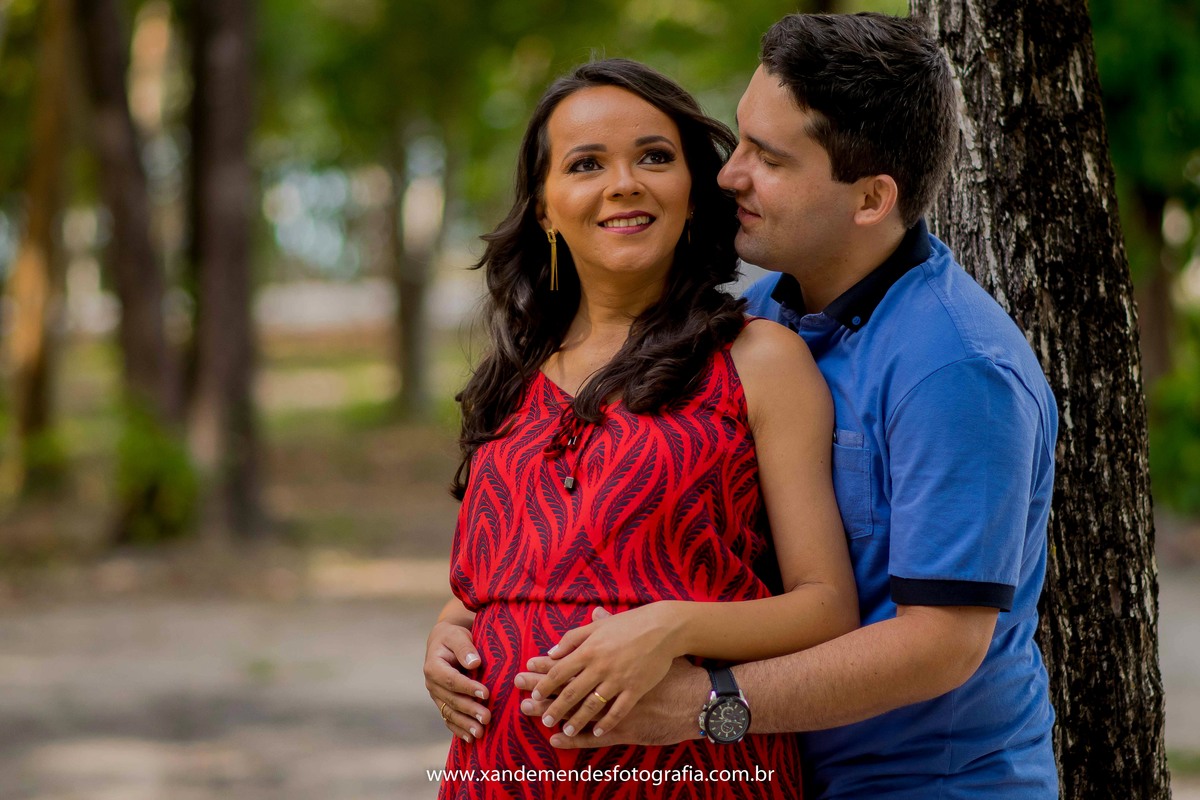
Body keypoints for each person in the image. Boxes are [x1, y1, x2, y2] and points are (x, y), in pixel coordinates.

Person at [503, 12, 1060, 799]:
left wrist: (702, 708)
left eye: (769, 158)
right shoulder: (755, 319)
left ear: (871, 199)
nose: (730, 175)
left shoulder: (957, 367)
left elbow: (941, 646)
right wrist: (469, 622)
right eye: (741, 140)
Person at [428, 58, 859, 800]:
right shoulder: (511, 377)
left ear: (692, 193)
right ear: (544, 208)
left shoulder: (758, 360)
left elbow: (826, 608)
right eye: (586, 164)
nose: (624, 183)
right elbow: (493, 584)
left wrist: (672, 628)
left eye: (654, 157)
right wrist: (448, 635)